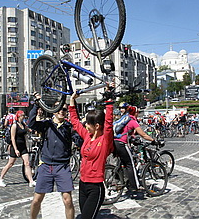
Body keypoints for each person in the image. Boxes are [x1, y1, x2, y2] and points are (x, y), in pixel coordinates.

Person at [29, 93, 76, 219]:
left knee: (68, 200)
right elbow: (31, 124)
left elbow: (80, 140)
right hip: (46, 165)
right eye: (58, 108)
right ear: (53, 110)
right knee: (36, 200)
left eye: (64, 109)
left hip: (63, 166)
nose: (61, 110)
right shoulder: (46, 124)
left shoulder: (69, 127)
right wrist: (36, 105)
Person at [69, 90, 114, 219]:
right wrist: (72, 101)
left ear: (98, 125)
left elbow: (109, 124)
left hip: (96, 188)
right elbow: (75, 122)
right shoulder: (87, 137)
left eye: (88, 123)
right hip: (83, 184)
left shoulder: (104, 140)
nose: (86, 125)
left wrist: (109, 102)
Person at [114, 105, 156, 196]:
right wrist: (153, 140)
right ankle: (135, 186)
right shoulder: (132, 121)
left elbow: (128, 133)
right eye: (137, 112)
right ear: (135, 113)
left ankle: (118, 179)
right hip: (122, 143)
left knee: (123, 163)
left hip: (115, 142)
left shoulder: (124, 119)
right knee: (131, 164)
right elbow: (143, 135)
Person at [0, 110, 35, 188]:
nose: (23, 117)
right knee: (10, 164)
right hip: (15, 146)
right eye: (22, 115)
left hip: (23, 146)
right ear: (18, 116)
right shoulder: (14, 126)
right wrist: (16, 149)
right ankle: (1, 178)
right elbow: (13, 138)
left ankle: (31, 181)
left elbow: (28, 131)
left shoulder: (23, 125)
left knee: (27, 163)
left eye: (24, 115)